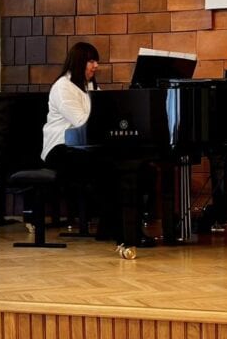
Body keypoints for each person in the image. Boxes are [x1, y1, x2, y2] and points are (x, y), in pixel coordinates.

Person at [41, 42, 154, 248]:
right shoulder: (63, 87)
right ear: (79, 62)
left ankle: (116, 227)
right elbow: (82, 122)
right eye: (91, 61)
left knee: (139, 169)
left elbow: (104, 115)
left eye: (96, 61)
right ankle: (123, 231)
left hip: (84, 147)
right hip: (60, 149)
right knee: (109, 170)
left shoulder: (90, 86)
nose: (96, 66)